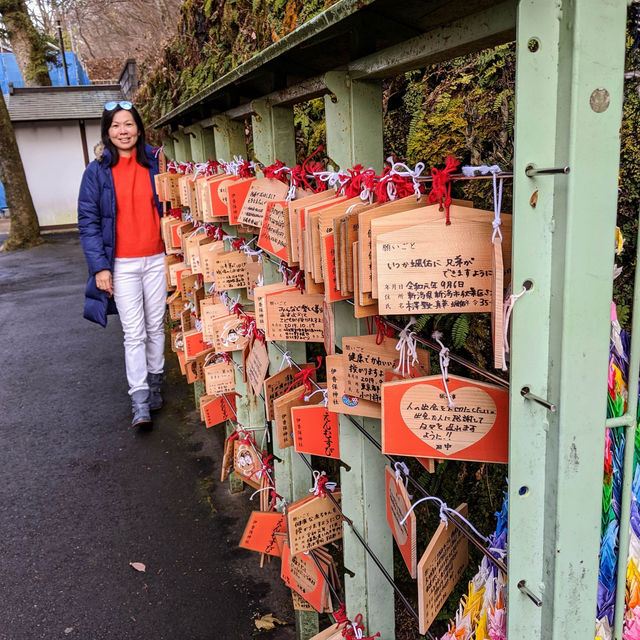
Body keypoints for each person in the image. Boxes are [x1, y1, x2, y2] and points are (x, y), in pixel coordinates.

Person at [77, 101, 166, 428]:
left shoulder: (156, 163)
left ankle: (156, 383)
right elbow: (87, 222)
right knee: (134, 332)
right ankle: (139, 397)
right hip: (121, 265)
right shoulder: (96, 170)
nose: (123, 131)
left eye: (128, 124)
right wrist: (100, 268)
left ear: (139, 128)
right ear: (108, 131)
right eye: (116, 126)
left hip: (157, 258)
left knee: (156, 325)